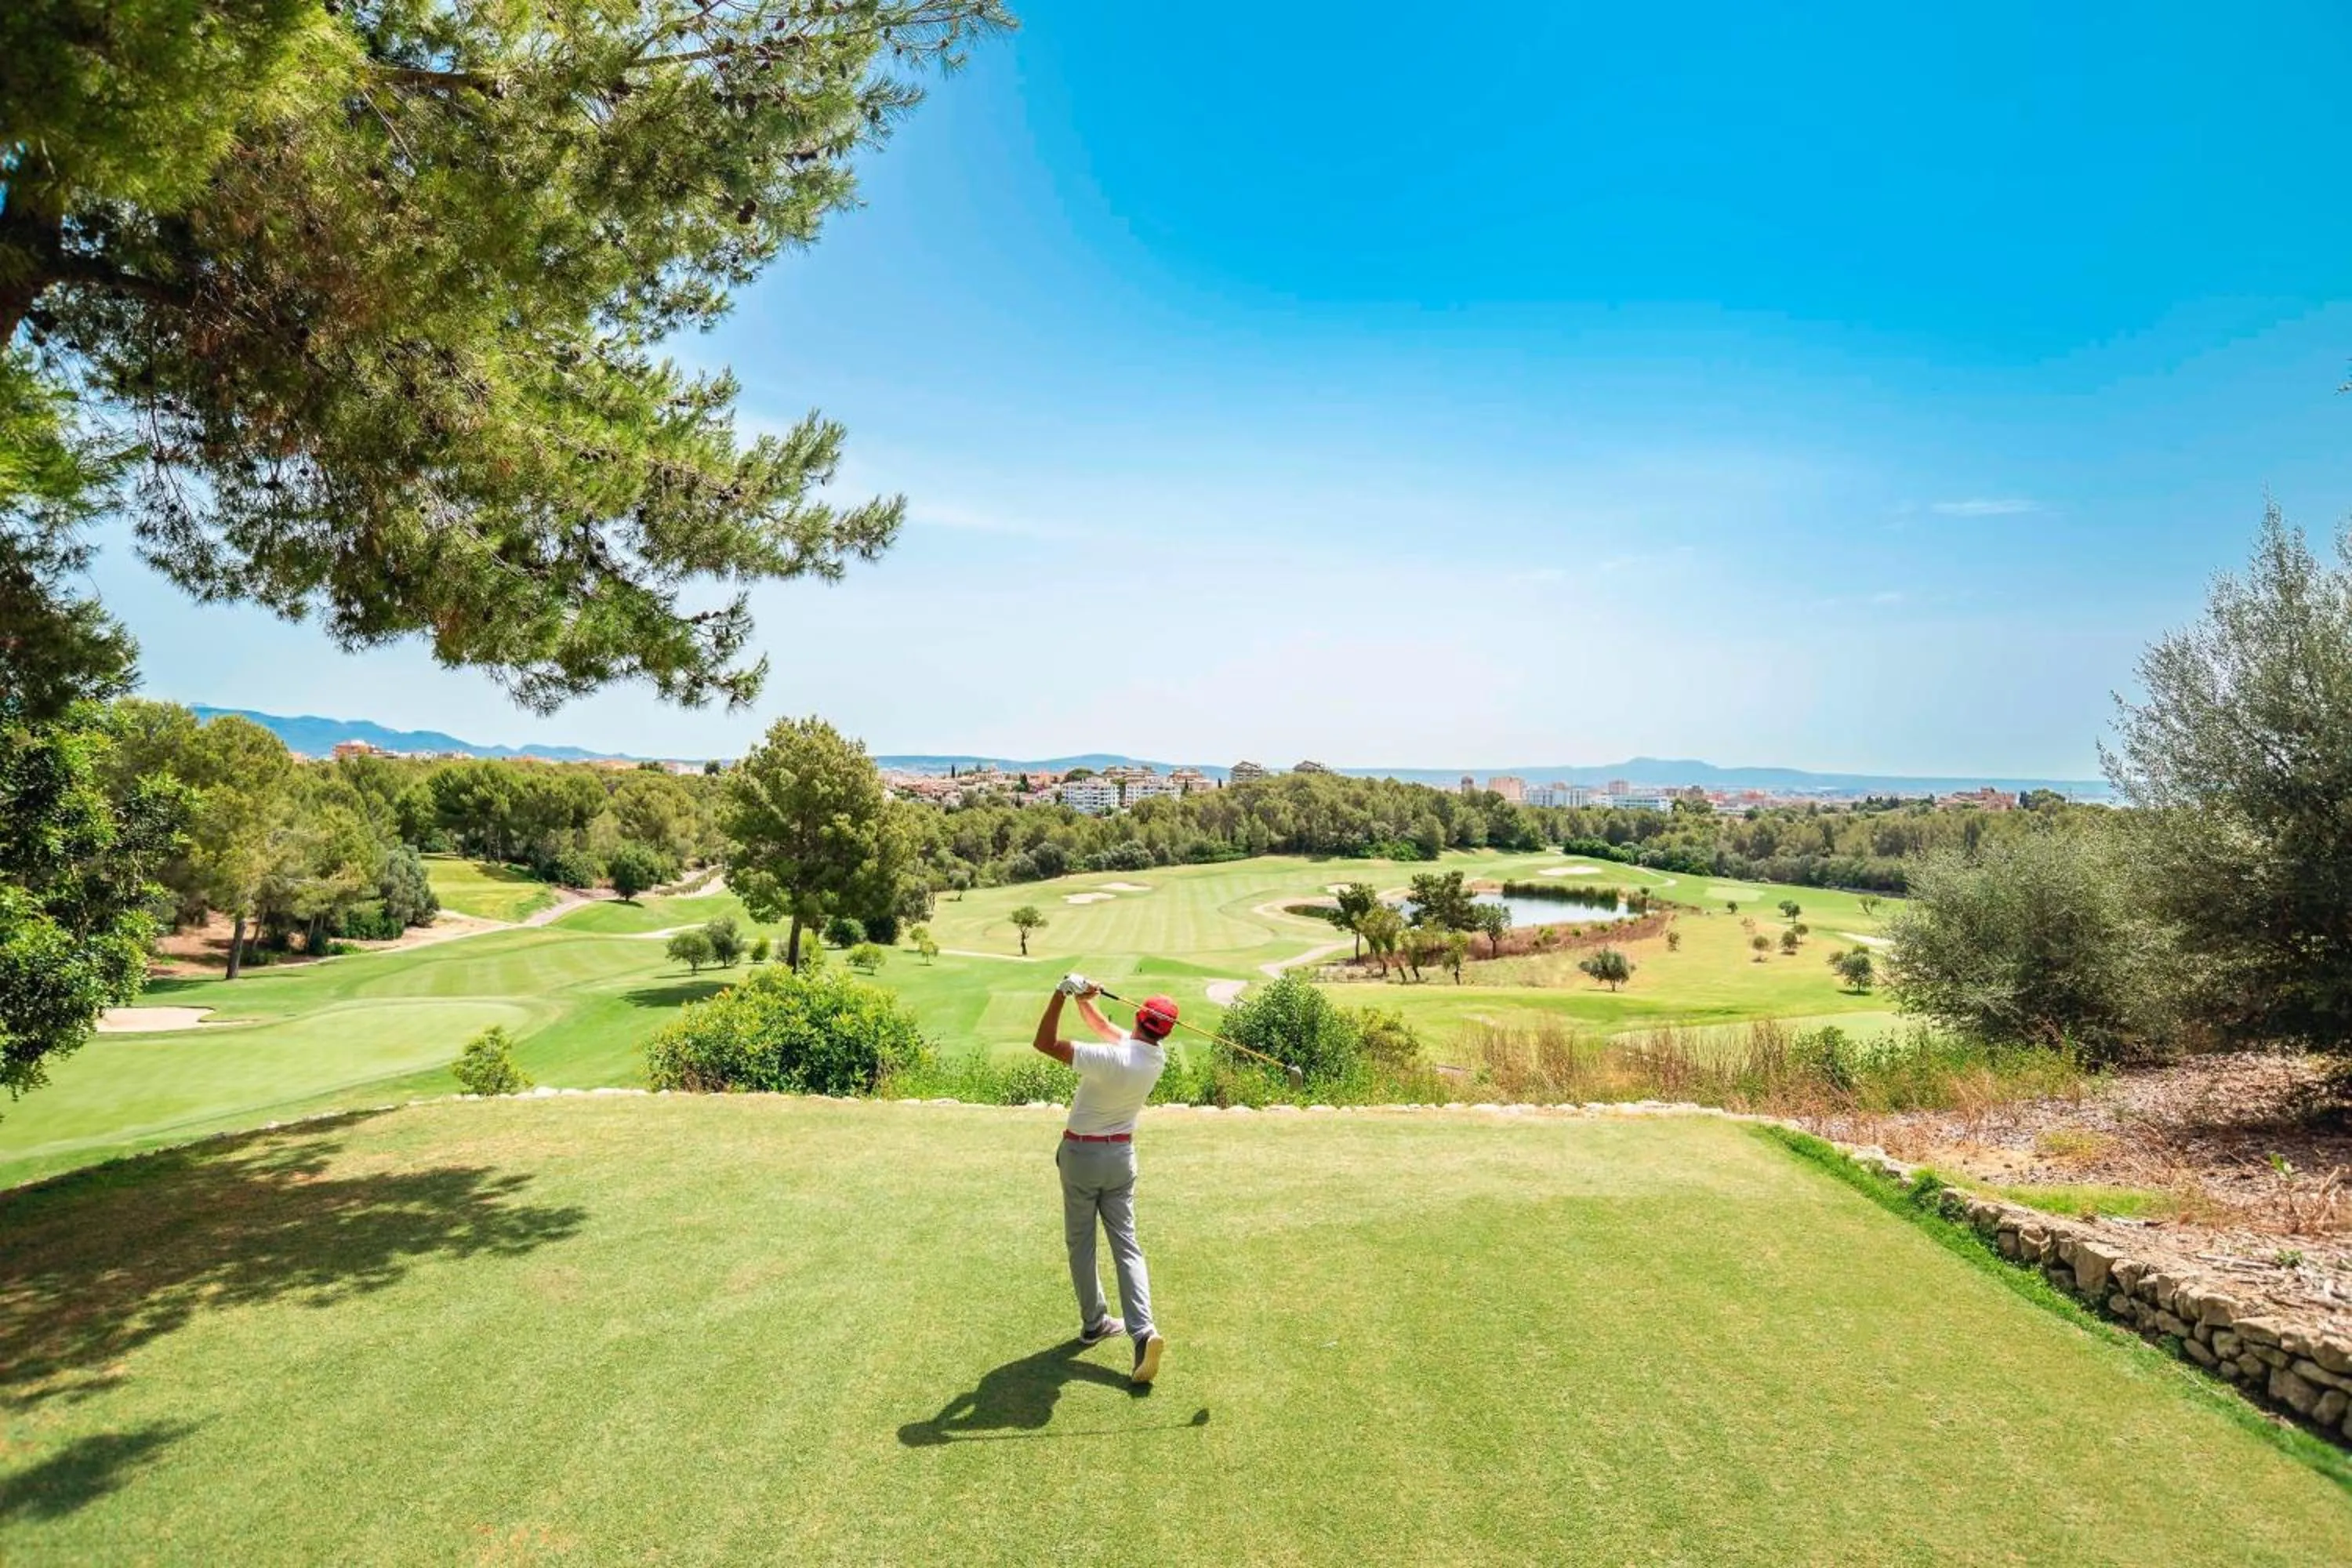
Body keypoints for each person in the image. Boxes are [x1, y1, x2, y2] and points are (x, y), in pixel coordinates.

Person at [1032, 975, 1171, 1386]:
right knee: (1127, 1245)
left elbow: (1045, 1042)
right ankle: (1144, 1332)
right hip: (1120, 1158)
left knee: (1081, 1242)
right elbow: (1107, 1031)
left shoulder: (1111, 1059)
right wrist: (1082, 1000)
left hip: (1081, 1156)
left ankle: (1094, 1323)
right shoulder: (1152, 1058)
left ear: (1140, 1017)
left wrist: (1059, 992)